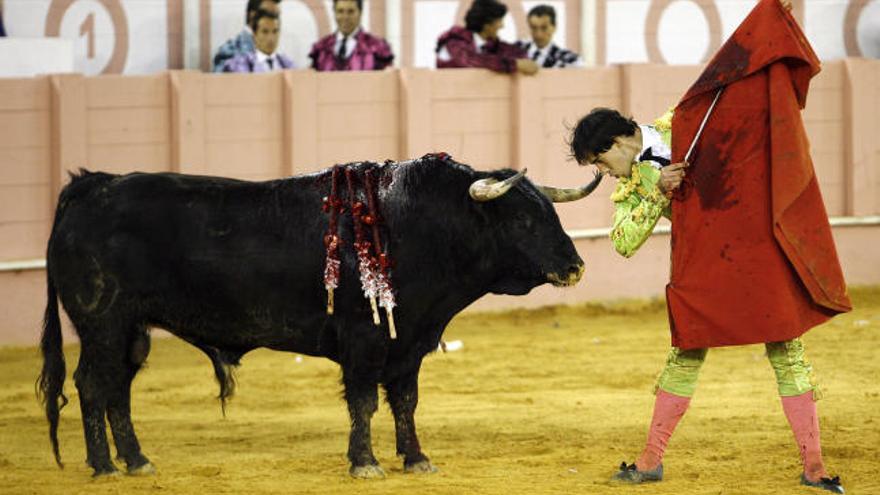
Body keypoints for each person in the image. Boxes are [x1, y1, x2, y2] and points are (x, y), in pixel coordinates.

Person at [568, 0, 850, 493]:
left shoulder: (692, 119)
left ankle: (815, 467)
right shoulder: (637, 183)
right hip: (707, 272)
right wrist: (657, 191)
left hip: (755, 253)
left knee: (787, 351)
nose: (604, 173)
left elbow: (749, 100)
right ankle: (651, 460)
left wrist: (773, 26)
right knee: (690, 354)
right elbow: (622, 242)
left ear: (616, 143)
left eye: (600, 162)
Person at [435, 0, 537, 75]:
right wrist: (515, 64)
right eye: (499, 21)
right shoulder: (454, 43)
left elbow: (512, 51)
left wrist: (524, 58)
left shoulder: (489, 44)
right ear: (487, 24)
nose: (502, 26)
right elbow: (474, 60)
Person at [308, 0, 394, 71]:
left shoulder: (377, 48)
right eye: (340, 11)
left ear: (360, 13)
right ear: (334, 13)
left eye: (351, 12)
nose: (345, 17)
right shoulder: (321, 48)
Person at [212, 0, 281, 72]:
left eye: (277, 14)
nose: (273, 18)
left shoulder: (281, 59)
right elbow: (220, 80)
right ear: (252, 16)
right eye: (267, 13)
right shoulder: (229, 51)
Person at [221, 9, 293, 73]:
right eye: (265, 32)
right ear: (254, 35)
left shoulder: (288, 64)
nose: (271, 38)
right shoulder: (237, 66)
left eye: (275, 31)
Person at [516, 5, 583, 68]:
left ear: (554, 27)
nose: (539, 34)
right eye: (533, 28)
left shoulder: (569, 58)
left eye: (544, 28)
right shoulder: (516, 49)